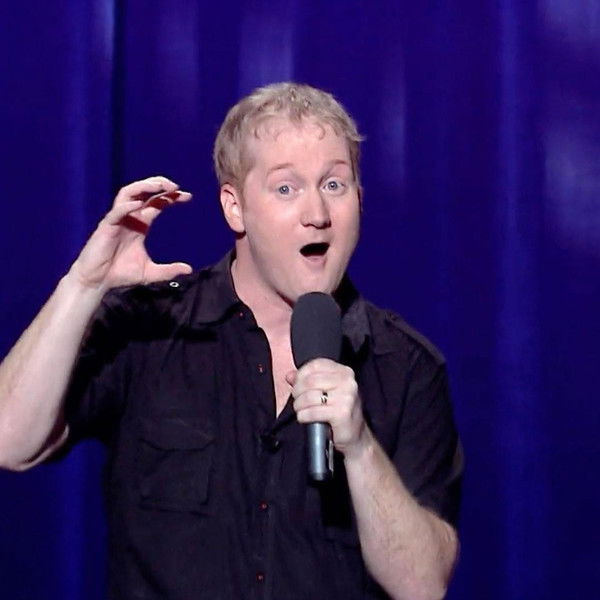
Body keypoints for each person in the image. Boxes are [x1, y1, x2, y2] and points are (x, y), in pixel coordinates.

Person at [0, 83, 462, 600]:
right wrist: (83, 286)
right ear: (234, 207)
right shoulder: (150, 328)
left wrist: (360, 449)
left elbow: (423, 586)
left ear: (360, 198)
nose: (317, 213)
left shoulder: (406, 365)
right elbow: (9, 441)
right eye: (286, 188)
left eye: (334, 184)